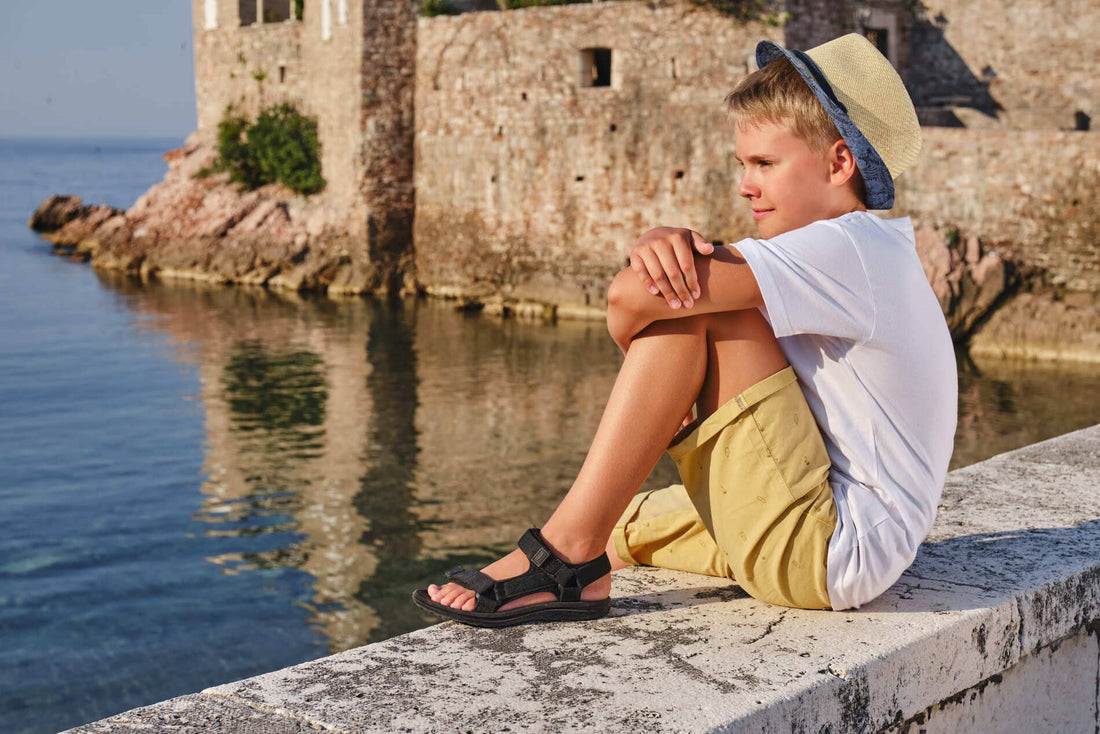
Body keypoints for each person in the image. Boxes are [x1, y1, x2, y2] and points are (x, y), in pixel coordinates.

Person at [412, 33, 957, 626]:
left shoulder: (847, 247)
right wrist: (659, 277)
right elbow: (632, 312)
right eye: (743, 165)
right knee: (615, 516)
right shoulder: (860, 251)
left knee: (703, 308)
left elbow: (626, 300)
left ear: (838, 161)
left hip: (827, 550)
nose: (746, 185)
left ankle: (563, 560)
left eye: (765, 164)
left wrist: (652, 262)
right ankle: (572, 557)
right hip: (841, 538)